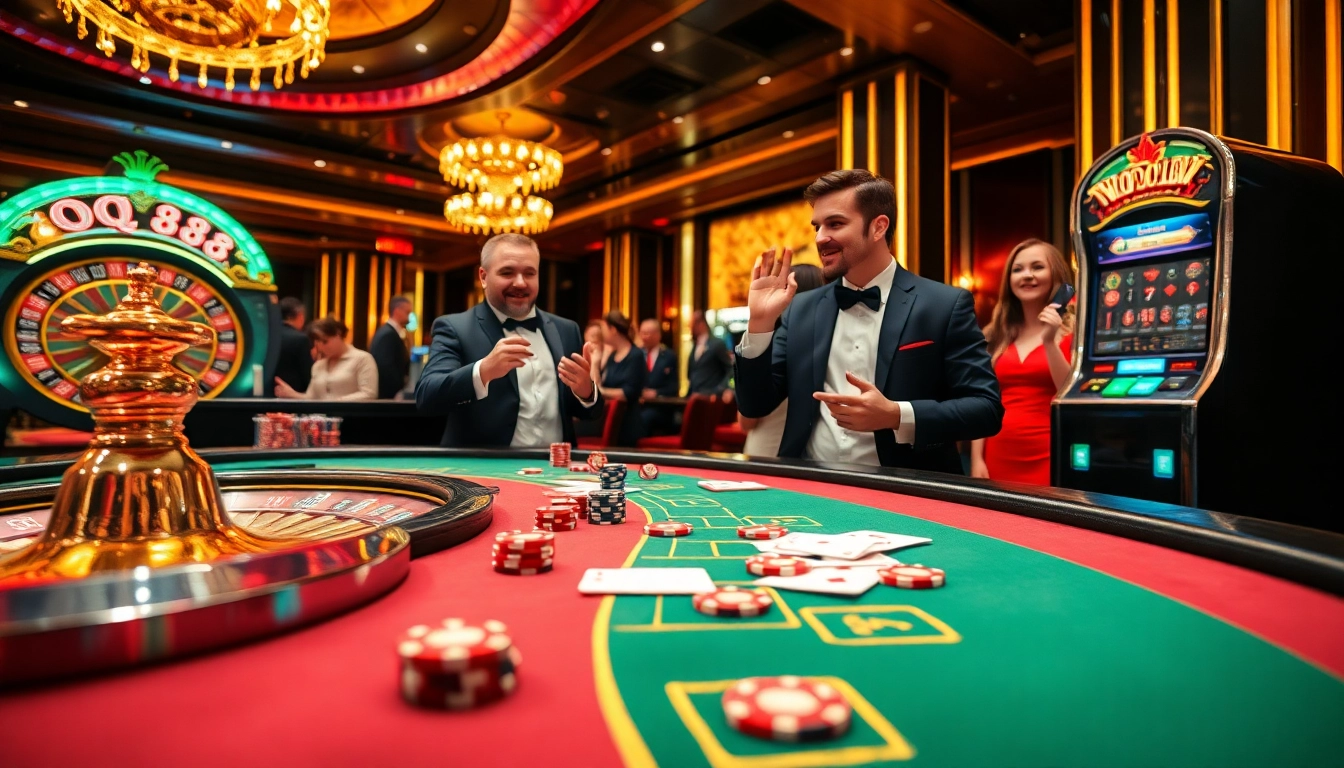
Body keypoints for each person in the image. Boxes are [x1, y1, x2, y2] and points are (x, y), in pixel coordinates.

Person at [734, 169, 1002, 473]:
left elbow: (986, 409)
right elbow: (754, 406)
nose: (820, 238)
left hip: (904, 489)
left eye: (835, 224)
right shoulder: (802, 309)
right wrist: (760, 323)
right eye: (817, 227)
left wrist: (896, 415)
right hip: (811, 484)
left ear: (878, 227)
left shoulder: (943, 305)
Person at [414, 233, 601, 447]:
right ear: (483, 277)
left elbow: (590, 413)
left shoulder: (566, 329)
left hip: (557, 465)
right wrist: (483, 371)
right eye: (507, 272)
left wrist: (586, 392)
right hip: (486, 465)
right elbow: (427, 396)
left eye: (529, 273)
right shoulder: (455, 328)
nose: (520, 283)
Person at [970, 239, 1075, 486]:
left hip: (1051, 451)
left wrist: (1049, 341)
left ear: (1056, 275)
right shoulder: (994, 335)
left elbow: (1068, 394)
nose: (1027, 275)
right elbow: (983, 400)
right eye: (1018, 269)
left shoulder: (1076, 332)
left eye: (1037, 267)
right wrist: (976, 458)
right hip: (998, 451)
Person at [739, 264, 825, 457]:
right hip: (815, 457)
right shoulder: (826, 346)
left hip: (766, 453)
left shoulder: (769, 348)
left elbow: (746, 421)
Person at [274, 317, 378, 401]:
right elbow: (312, 398)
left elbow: (369, 393)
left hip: (351, 417)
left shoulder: (362, 359)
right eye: (318, 343)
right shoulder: (319, 365)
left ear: (338, 334)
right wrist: (292, 394)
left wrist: (336, 402)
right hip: (322, 417)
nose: (322, 347)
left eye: (325, 342)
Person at [596, 310, 647, 446]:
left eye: (604, 328)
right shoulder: (612, 356)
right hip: (609, 419)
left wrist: (602, 391)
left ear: (613, 329)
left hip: (628, 422)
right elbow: (600, 383)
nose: (602, 333)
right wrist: (596, 362)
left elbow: (629, 392)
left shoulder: (636, 355)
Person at [637, 318, 679, 436]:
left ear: (657, 335)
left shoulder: (669, 356)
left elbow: (674, 387)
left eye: (647, 333)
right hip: (639, 405)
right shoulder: (636, 354)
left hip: (660, 408)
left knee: (644, 418)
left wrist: (656, 393)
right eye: (642, 333)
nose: (644, 337)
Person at [369, 296, 412, 399]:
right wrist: (397, 390)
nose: (409, 317)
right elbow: (385, 367)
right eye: (407, 313)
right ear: (397, 311)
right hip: (388, 396)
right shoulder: (388, 334)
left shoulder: (389, 332)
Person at [687, 310, 732, 395]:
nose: (690, 328)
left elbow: (730, 370)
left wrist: (724, 388)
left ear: (701, 324)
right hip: (694, 395)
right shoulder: (695, 346)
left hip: (711, 396)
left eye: (692, 325)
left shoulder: (717, 344)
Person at [273, 297, 312, 394]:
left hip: (264, 392)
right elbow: (307, 375)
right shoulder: (300, 339)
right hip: (292, 395)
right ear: (300, 316)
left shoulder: (266, 335)